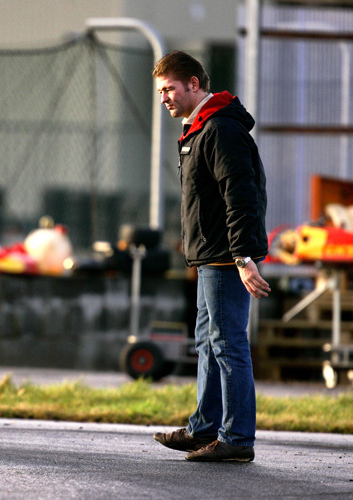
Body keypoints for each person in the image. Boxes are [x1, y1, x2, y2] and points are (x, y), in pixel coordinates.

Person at [151, 51, 271, 462]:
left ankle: (237, 438)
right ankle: (204, 428)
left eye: (169, 88)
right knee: (207, 341)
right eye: (161, 90)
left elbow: (241, 196)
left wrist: (243, 257)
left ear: (194, 85)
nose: (164, 97)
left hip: (226, 258)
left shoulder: (220, 128)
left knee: (227, 344)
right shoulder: (199, 129)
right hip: (211, 256)